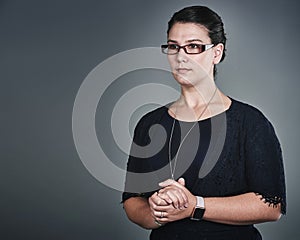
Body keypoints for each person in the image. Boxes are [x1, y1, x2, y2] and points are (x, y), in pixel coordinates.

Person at [122, 5, 286, 240]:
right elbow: (131, 201)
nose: (181, 56)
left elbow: (272, 206)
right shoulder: (149, 123)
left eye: (193, 46)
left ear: (217, 53)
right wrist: (157, 211)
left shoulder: (250, 123)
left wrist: (195, 206)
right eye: (173, 46)